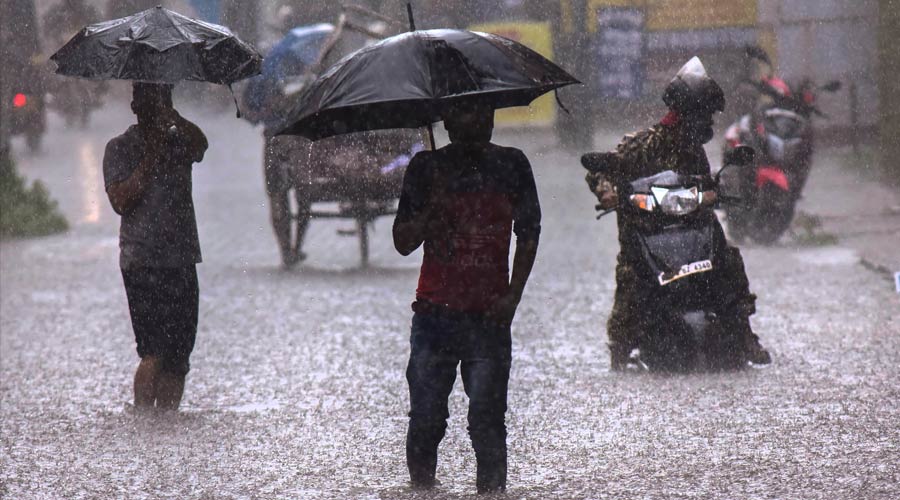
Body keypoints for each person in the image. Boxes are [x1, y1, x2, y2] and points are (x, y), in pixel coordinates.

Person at [584, 57, 772, 370]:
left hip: (693, 230)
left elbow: (706, 184)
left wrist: (715, 192)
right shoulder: (640, 144)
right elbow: (603, 171)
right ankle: (621, 348)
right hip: (648, 232)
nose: (710, 123)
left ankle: (742, 332)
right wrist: (608, 191)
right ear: (689, 113)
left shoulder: (695, 152)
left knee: (727, 258)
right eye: (706, 115)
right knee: (631, 274)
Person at [393, 103, 541, 494]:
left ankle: (491, 491)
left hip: (489, 317)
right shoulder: (426, 169)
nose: (479, 121)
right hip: (433, 316)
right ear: (448, 121)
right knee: (426, 417)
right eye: (467, 113)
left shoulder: (512, 165)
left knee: (487, 420)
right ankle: (423, 488)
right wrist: (430, 212)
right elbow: (402, 242)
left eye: (485, 112)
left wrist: (513, 297)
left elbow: (529, 232)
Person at [103, 82, 208, 411]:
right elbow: (121, 200)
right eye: (149, 100)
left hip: (182, 257)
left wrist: (175, 120)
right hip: (142, 260)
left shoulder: (181, 141)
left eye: (163, 99)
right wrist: (149, 156)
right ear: (134, 106)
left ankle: (167, 425)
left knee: (179, 357)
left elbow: (202, 146)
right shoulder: (119, 148)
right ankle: (144, 421)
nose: (155, 107)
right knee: (153, 351)